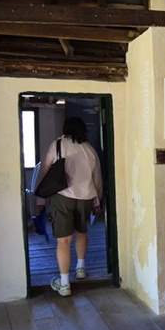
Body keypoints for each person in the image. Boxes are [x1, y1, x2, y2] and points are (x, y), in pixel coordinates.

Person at [39, 116, 103, 297]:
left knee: (63, 240)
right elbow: (97, 178)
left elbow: (46, 169)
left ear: (65, 128)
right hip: (86, 197)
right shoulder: (89, 149)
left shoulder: (58, 144)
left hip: (63, 196)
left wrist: (41, 198)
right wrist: (98, 198)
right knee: (82, 232)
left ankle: (65, 284)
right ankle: (81, 268)